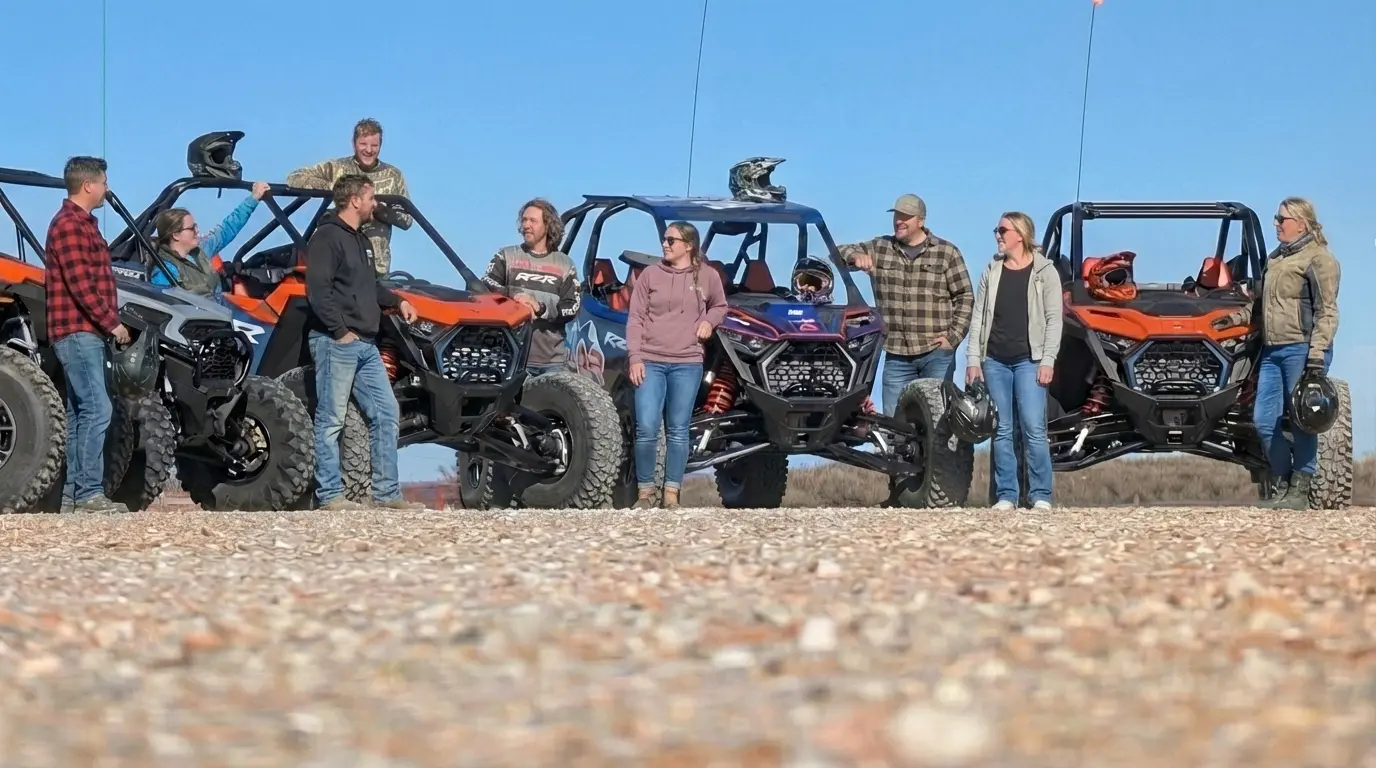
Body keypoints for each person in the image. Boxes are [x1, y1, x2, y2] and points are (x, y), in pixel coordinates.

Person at [304, 174, 425, 511]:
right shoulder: (326, 237)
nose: (376, 205)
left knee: (387, 412)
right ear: (355, 200)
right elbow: (318, 291)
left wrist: (398, 301)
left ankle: (386, 494)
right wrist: (340, 332)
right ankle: (330, 496)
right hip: (336, 342)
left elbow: (369, 286)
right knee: (331, 419)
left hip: (366, 346)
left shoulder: (362, 241)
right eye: (371, 198)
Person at [1212, 196, 1341, 510]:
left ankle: (1301, 487)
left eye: (1281, 219)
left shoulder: (1319, 259)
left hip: (1303, 349)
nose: (1276, 224)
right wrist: (1232, 320)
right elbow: (1260, 308)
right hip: (1272, 351)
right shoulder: (1275, 259)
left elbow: (1327, 313)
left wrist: (1316, 356)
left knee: (1302, 421)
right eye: (1277, 218)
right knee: (1263, 421)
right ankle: (1283, 482)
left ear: (1302, 222)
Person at [44, 156, 132, 514]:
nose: (108, 188)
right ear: (88, 186)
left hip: (82, 330)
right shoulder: (69, 226)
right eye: (105, 182)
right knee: (98, 408)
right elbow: (81, 284)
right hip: (78, 330)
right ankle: (90, 495)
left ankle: (74, 497)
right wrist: (112, 322)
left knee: (81, 412)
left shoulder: (83, 225)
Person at [838, 193, 974, 415]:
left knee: (937, 420)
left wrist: (953, 337)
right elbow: (837, 253)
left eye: (906, 216)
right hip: (897, 354)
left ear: (920, 221)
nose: (899, 220)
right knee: (895, 421)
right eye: (897, 215)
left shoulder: (946, 252)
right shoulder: (880, 247)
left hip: (936, 353)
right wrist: (854, 256)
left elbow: (965, 296)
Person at [965, 212, 1064, 511]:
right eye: (996, 229)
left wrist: (1048, 360)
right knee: (1002, 429)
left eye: (1002, 230)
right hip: (994, 360)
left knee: (1034, 428)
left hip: (1030, 361)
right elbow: (978, 317)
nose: (997, 234)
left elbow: (1053, 320)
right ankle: (1007, 494)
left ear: (1019, 234)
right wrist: (973, 360)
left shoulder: (1045, 271)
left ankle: (1041, 495)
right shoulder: (991, 271)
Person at [626, 221, 727, 510]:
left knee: (679, 429)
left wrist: (709, 320)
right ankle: (645, 494)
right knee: (646, 427)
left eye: (672, 240)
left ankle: (671, 493)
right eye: (664, 239)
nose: (665, 244)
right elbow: (635, 318)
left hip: (687, 362)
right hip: (650, 360)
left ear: (689, 245)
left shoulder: (707, 276)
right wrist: (635, 357)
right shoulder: (649, 275)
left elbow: (721, 306)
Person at [287, 118, 411, 275]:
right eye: (363, 144)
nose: (369, 150)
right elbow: (295, 177)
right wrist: (338, 189)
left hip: (375, 269)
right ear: (353, 144)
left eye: (374, 145)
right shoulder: (337, 168)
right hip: (339, 264)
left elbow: (406, 220)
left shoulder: (394, 176)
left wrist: (379, 209)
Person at [480, 198, 580, 375]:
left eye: (532, 221)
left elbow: (572, 307)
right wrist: (515, 295)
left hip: (551, 362)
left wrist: (541, 308)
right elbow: (484, 287)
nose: (526, 225)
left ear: (548, 225)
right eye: (524, 220)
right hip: (509, 358)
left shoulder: (565, 264)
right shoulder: (506, 256)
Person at [148, 181, 270, 299]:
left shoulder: (202, 250)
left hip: (221, 310)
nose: (197, 231)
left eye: (195, 226)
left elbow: (227, 229)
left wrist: (253, 199)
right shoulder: (165, 272)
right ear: (175, 235)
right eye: (191, 228)